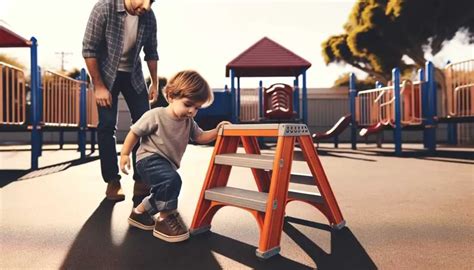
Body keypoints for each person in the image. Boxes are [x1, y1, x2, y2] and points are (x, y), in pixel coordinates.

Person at [119, 70, 230, 242]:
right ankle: (165, 218)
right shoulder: (155, 115)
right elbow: (134, 132)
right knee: (171, 181)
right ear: (171, 96)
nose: (192, 111)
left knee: (164, 190)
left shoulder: (189, 122)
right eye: (188, 104)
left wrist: (217, 131)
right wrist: (125, 154)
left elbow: (200, 137)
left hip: (166, 164)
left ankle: (139, 213)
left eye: (197, 108)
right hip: (148, 159)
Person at [82, 0, 159, 201]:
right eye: (145, 1)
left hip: (133, 75)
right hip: (106, 75)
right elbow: (89, 49)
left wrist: (155, 83)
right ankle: (112, 181)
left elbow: (151, 51)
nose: (147, 7)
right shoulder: (103, 8)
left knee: (145, 125)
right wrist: (99, 87)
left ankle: (141, 179)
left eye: (152, 2)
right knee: (107, 125)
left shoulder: (148, 16)